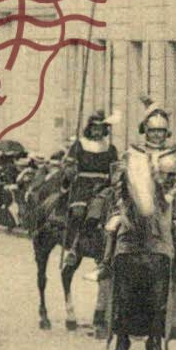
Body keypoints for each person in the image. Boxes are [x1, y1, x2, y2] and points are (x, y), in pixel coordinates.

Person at [102, 109, 176, 350]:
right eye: (152, 131)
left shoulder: (173, 155)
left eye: (161, 131)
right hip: (131, 211)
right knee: (112, 226)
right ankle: (106, 262)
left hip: (163, 213)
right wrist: (122, 206)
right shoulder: (132, 154)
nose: (157, 135)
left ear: (166, 133)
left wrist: (169, 190)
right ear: (145, 131)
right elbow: (118, 184)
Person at [62, 110, 120, 271]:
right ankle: (74, 247)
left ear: (105, 130)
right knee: (79, 213)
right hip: (83, 184)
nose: (97, 131)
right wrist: (70, 168)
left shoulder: (110, 148)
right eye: (94, 128)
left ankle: (108, 252)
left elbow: (115, 169)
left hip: (104, 186)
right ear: (89, 128)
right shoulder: (79, 145)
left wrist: (114, 181)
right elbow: (69, 164)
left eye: (100, 128)